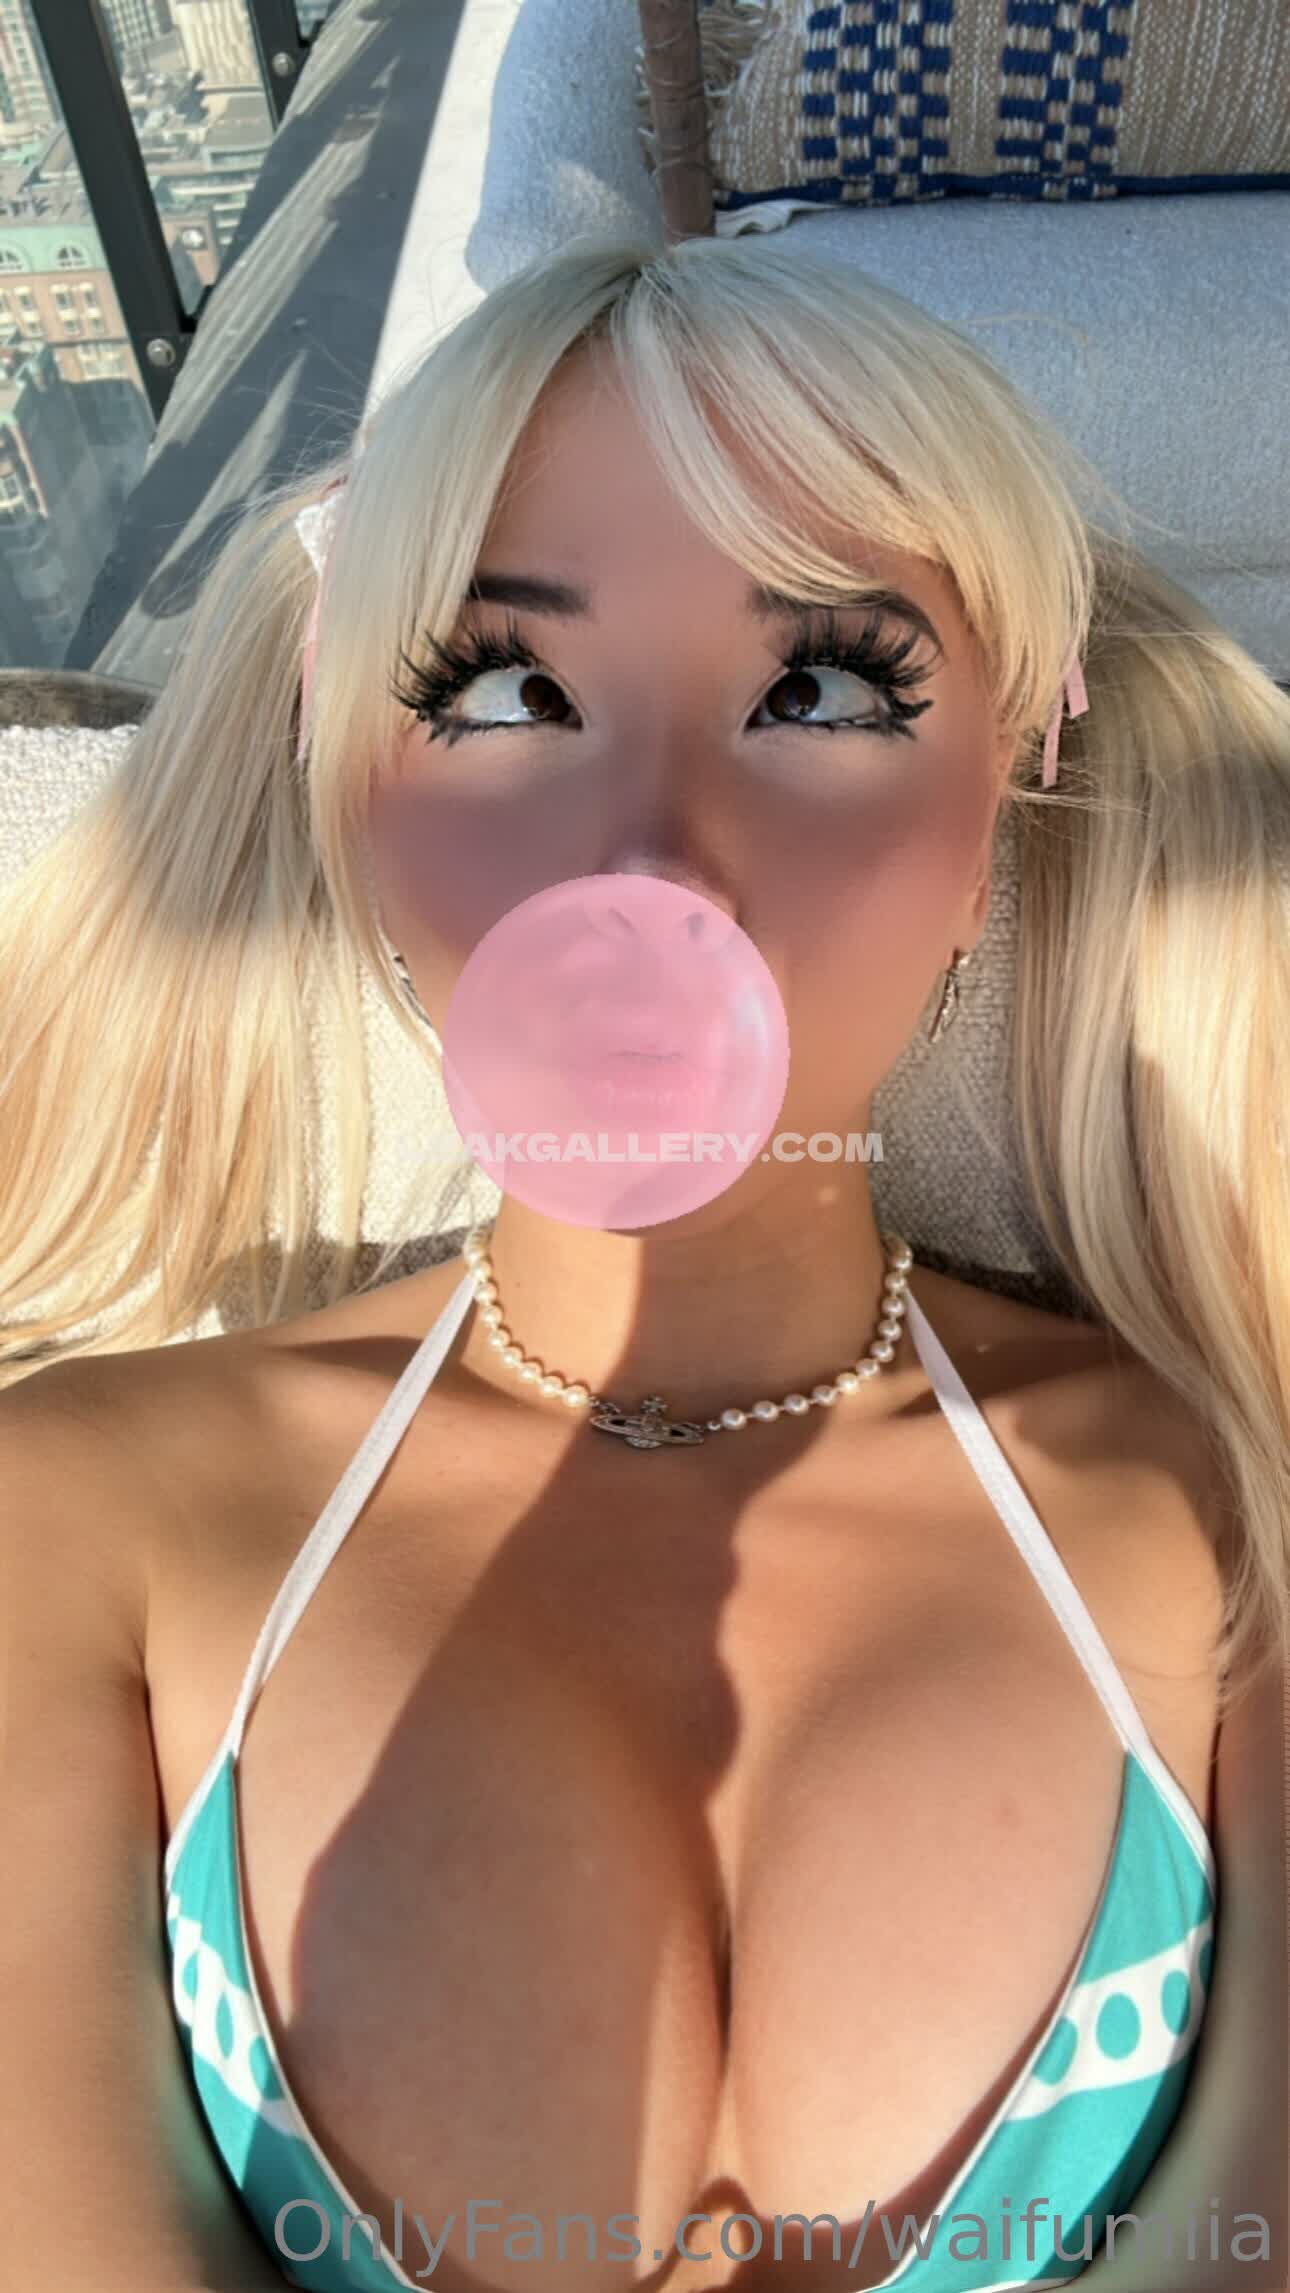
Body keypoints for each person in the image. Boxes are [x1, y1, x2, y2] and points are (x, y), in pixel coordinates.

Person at [1, 232, 1286, 2293]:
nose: (652, 853)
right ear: (354, 800)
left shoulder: (1241, 1507)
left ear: (998, 812)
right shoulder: (71, 1514)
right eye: (509, 690)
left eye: (823, 689)